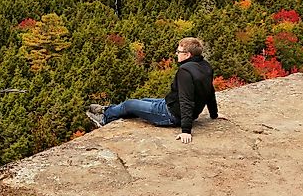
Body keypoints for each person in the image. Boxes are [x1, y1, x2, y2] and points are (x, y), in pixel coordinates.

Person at [86, 37, 218, 144]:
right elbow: (210, 91)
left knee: (130, 104)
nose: (176, 54)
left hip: (171, 115)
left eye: (179, 52)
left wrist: (186, 130)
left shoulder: (185, 71)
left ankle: (105, 119)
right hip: (171, 104)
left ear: (187, 54)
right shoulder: (205, 66)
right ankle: (107, 110)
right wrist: (214, 114)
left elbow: (186, 100)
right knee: (142, 101)